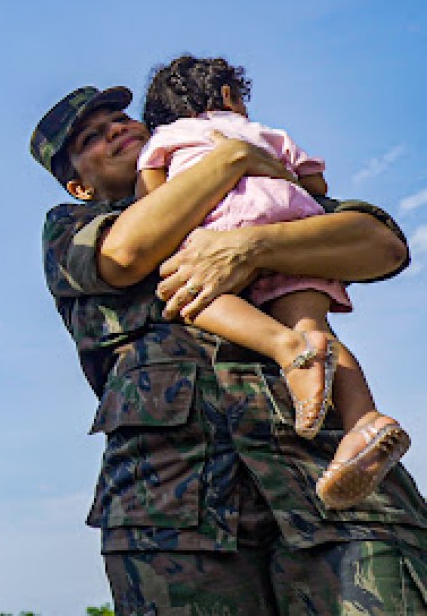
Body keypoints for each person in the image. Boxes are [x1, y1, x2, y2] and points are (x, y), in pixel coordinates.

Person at [30, 85, 427, 615]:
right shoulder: (72, 226)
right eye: (92, 138)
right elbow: (125, 254)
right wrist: (234, 153)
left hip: (330, 472)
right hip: (171, 503)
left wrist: (253, 245)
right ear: (79, 185)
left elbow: (381, 245)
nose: (117, 131)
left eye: (121, 120)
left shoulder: (252, 198)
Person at [137, 55, 409, 509]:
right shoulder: (270, 134)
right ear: (228, 95)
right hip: (295, 223)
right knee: (316, 329)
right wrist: (276, 175)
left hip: (221, 223)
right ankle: (364, 421)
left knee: (192, 291)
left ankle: (284, 348)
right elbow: (317, 184)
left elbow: (152, 198)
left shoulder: (166, 138)